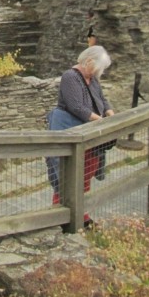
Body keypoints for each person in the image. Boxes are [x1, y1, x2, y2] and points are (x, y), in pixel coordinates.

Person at [45, 45, 115, 227]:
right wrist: (99, 121)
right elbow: (76, 106)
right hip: (71, 131)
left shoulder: (92, 78)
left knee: (86, 174)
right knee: (66, 175)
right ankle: (59, 217)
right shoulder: (70, 77)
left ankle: (82, 215)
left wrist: (110, 113)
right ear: (89, 61)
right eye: (98, 68)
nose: (100, 73)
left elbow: (102, 99)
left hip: (89, 135)